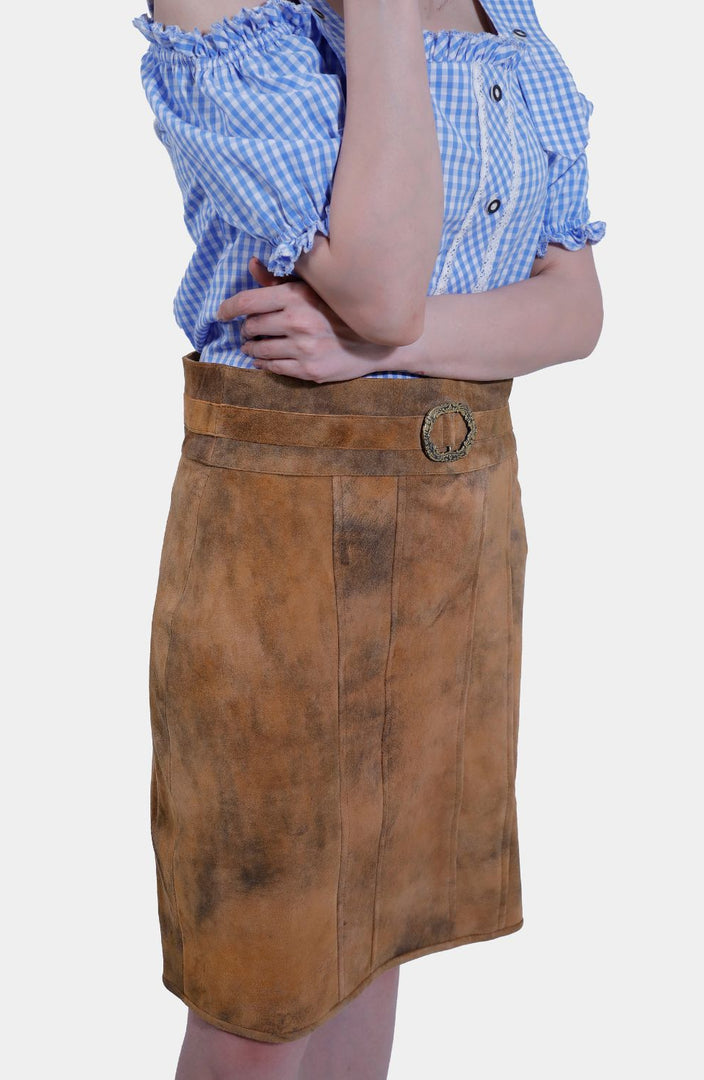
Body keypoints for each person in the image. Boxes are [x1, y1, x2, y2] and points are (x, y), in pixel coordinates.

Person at [132, 1, 606, 1077]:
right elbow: (382, 284)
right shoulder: (231, 13)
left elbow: (574, 310)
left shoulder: (506, 11)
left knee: (372, 946)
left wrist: (378, 348)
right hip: (285, 533)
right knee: (266, 988)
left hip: (459, 526)